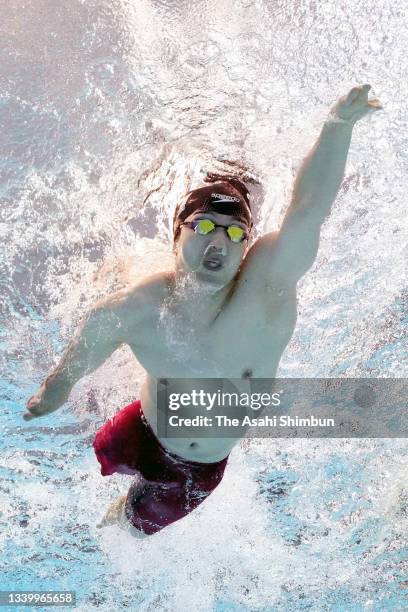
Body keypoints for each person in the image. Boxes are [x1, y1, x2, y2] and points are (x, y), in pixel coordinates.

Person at [23, 85, 382, 537]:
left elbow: (309, 209)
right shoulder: (136, 306)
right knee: (105, 454)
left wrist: (338, 126)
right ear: (178, 234)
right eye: (207, 226)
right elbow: (87, 345)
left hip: (192, 468)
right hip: (137, 425)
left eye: (236, 233)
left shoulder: (264, 290)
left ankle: (115, 518)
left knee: (124, 532)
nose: (220, 241)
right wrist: (56, 389)